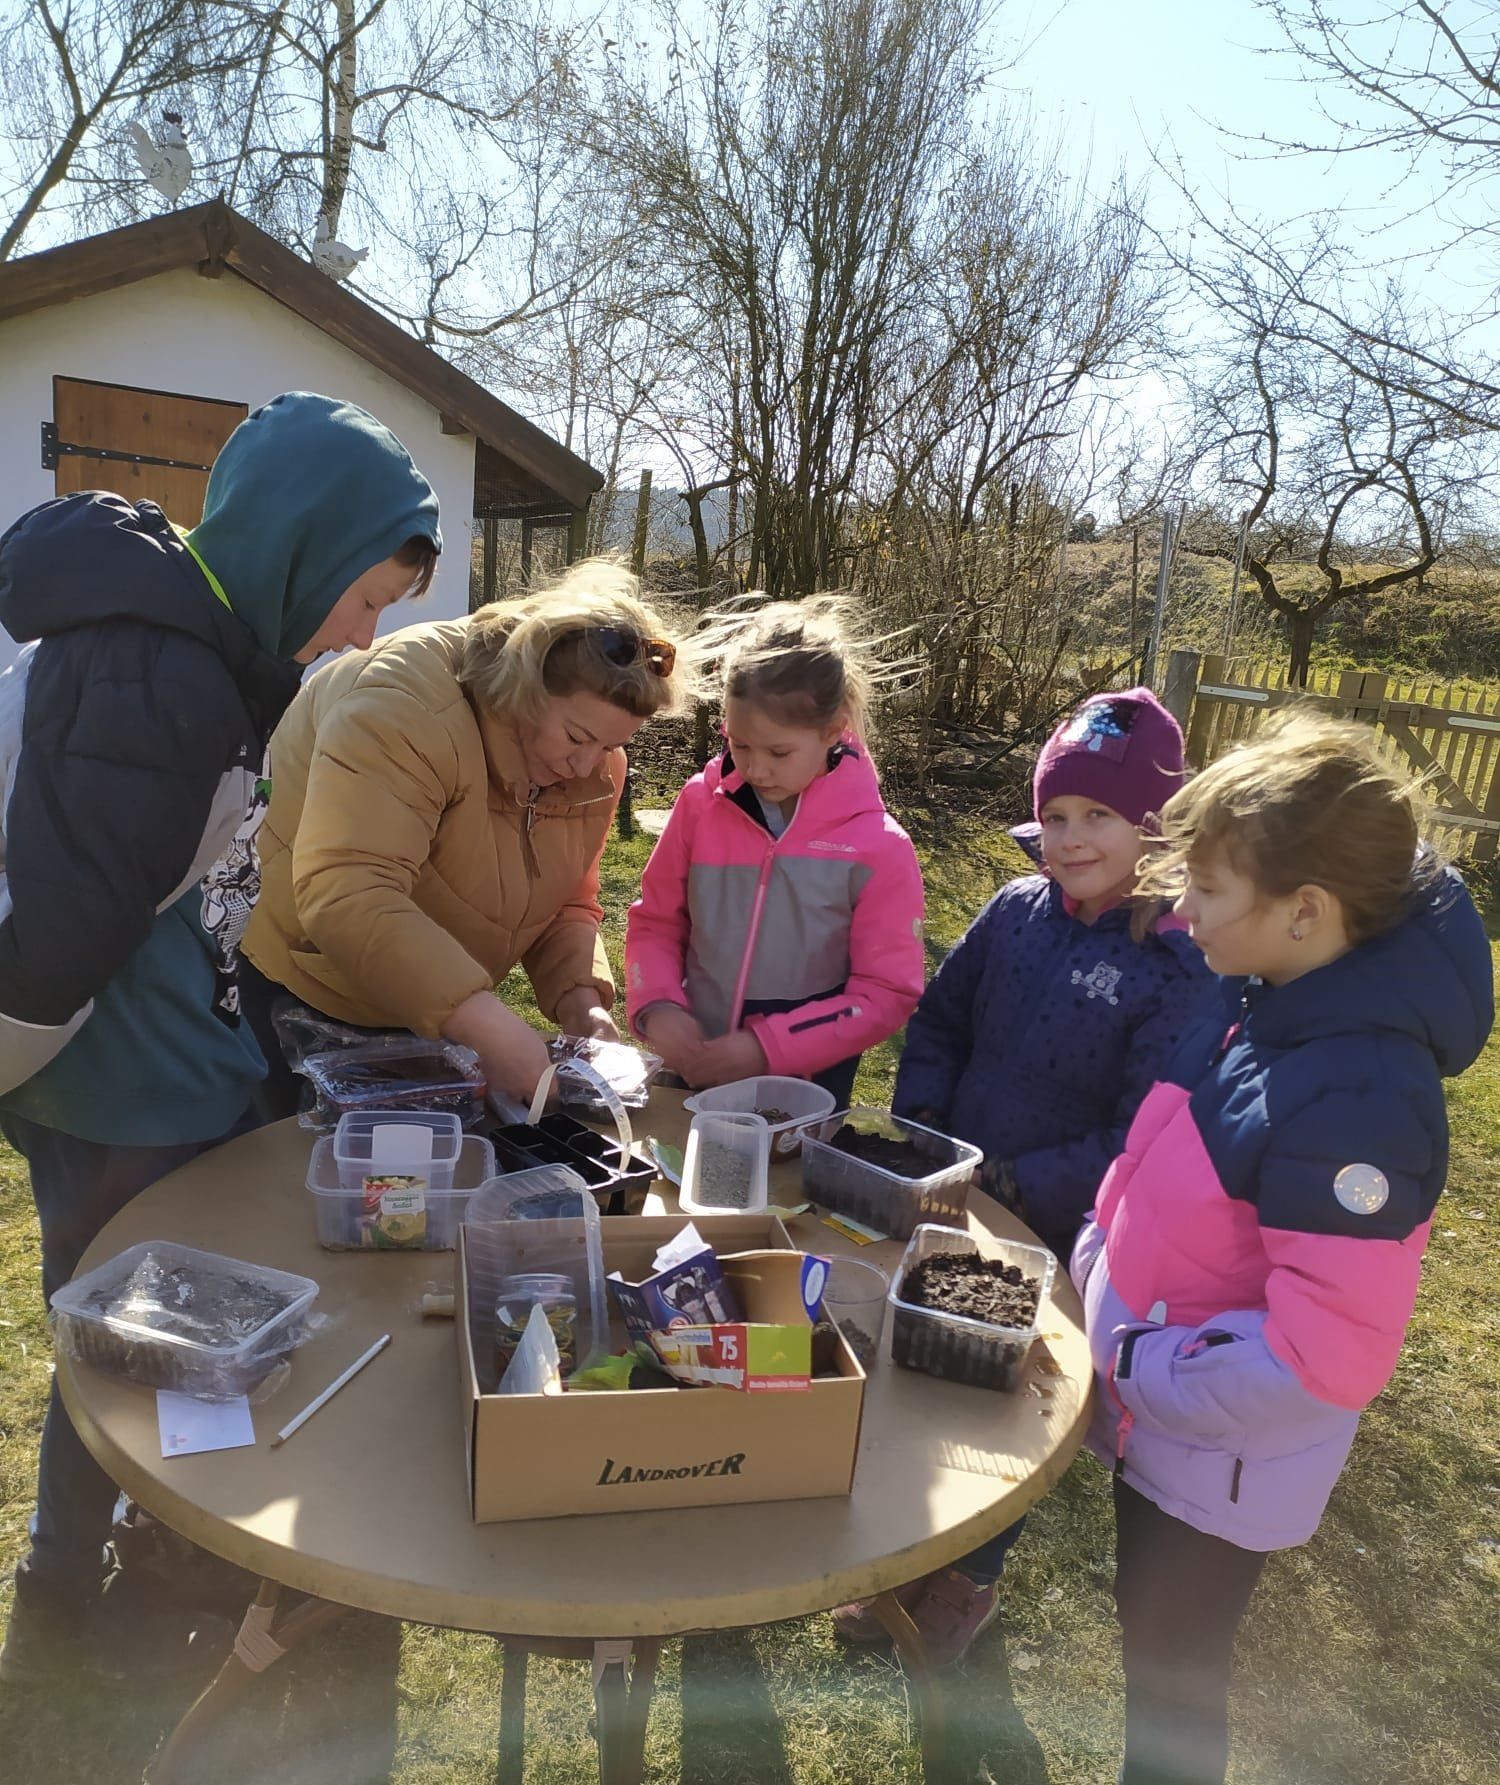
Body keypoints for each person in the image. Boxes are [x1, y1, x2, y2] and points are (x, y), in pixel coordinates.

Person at [0, 391, 442, 1685]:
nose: (360, 635)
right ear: (297, 547)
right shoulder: (164, 682)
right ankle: (75, 1584)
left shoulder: (202, 653)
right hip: (114, 1098)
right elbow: (63, 938)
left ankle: (129, 1561)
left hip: (161, 1071)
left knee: (153, 1338)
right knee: (124, 1349)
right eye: (362, 601)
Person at [1074, 712, 1492, 1784]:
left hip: (1218, 1461)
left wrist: (1134, 1366)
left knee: (1173, 1685)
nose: (1181, 907)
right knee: (1151, 1650)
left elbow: (1322, 1359)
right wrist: (1094, 1257)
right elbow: (1159, 1155)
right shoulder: (1260, 997)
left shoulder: (1361, 1098)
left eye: (1208, 886)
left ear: (1305, 911)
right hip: (1170, 1423)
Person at [835, 687, 1214, 1666]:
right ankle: (918, 1538)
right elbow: (942, 1022)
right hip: (952, 1197)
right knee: (927, 1365)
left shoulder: (1176, 963)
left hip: (1058, 1227)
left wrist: (1010, 1180)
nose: (1071, 837)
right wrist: (928, 1137)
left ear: (1155, 826)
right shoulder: (1014, 911)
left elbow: (1139, 1132)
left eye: (1100, 816)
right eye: (1056, 814)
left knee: (1006, 1405)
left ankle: (972, 1572)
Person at [240, 561, 694, 1110]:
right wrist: (483, 1023)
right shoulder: (403, 704)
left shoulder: (596, 766)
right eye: (577, 737)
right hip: (300, 995)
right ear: (526, 688)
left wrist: (583, 1004)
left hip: (434, 1002)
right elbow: (351, 891)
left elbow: (567, 900)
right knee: (289, 1157)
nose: (586, 765)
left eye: (611, 745)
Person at [623, 597, 925, 1104]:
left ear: (833, 732)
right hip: (691, 1073)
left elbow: (886, 993)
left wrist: (767, 1047)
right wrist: (658, 1004)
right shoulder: (699, 805)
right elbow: (656, 921)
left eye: (779, 752)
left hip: (802, 1092)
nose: (756, 769)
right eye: (739, 744)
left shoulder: (880, 848)